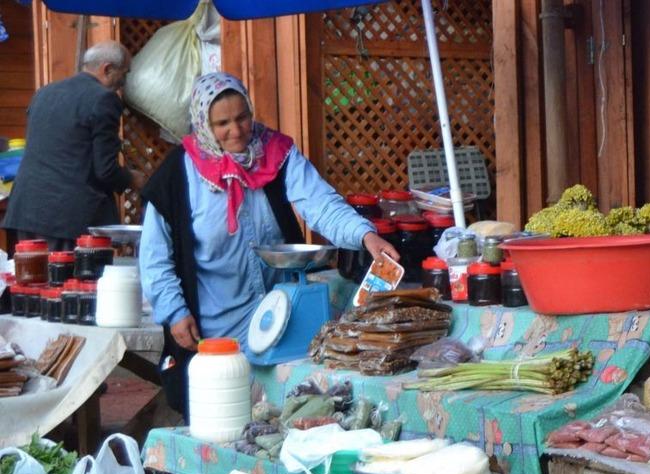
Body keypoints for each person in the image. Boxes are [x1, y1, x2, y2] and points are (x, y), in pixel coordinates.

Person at [139, 72, 399, 418]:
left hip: (282, 318)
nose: (237, 131)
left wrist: (365, 235)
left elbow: (319, 203)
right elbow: (155, 257)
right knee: (225, 423)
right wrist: (174, 311)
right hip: (217, 334)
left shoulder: (276, 154)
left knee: (290, 420)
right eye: (222, 123)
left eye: (242, 117)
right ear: (203, 124)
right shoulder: (178, 174)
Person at [3, 41, 147, 251]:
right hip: (66, 219)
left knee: (33, 282)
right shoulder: (104, 99)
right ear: (107, 69)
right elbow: (105, 170)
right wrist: (132, 178)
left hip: (24, 212)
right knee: (70, 283)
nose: (124, 82)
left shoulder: (44, 93)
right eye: (124, 73)